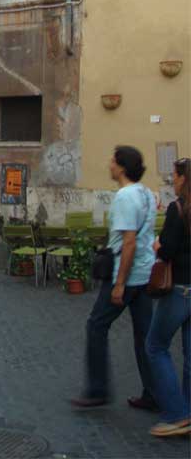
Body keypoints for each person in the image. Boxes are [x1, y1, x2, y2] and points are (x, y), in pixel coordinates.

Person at [72, 145, 157, 409]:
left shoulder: (124, 197)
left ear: (121, 166)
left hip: (126, 275)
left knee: (96, 326)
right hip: (145, 273)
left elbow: (128, 242)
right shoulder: (146, 194)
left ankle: (98, 389)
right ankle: (153, 393)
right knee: (144, 336)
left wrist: (119, 284)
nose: (109, 164)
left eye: (112, 160)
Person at [145, 157, 191, 437]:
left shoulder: (178, 209)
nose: (172, 180)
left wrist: (157, 244)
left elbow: (167, 250)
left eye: (174, 176)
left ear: (184, 179)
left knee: (155, 346)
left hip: (180, 288)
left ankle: (176, 413)